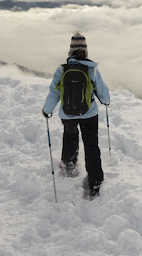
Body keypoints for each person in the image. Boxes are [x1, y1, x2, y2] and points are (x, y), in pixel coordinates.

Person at [42, 32, 110, 199]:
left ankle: (69, 165)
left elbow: (54, 92)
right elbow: (102, 91)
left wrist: (47, 110)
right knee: (91, 145)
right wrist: (106, 101)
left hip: (68, 114)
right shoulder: (91, 69)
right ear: (85, 51)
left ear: (70, 51)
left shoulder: (62, 69)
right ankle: (95, 181)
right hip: (89, 114)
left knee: (70, 137)